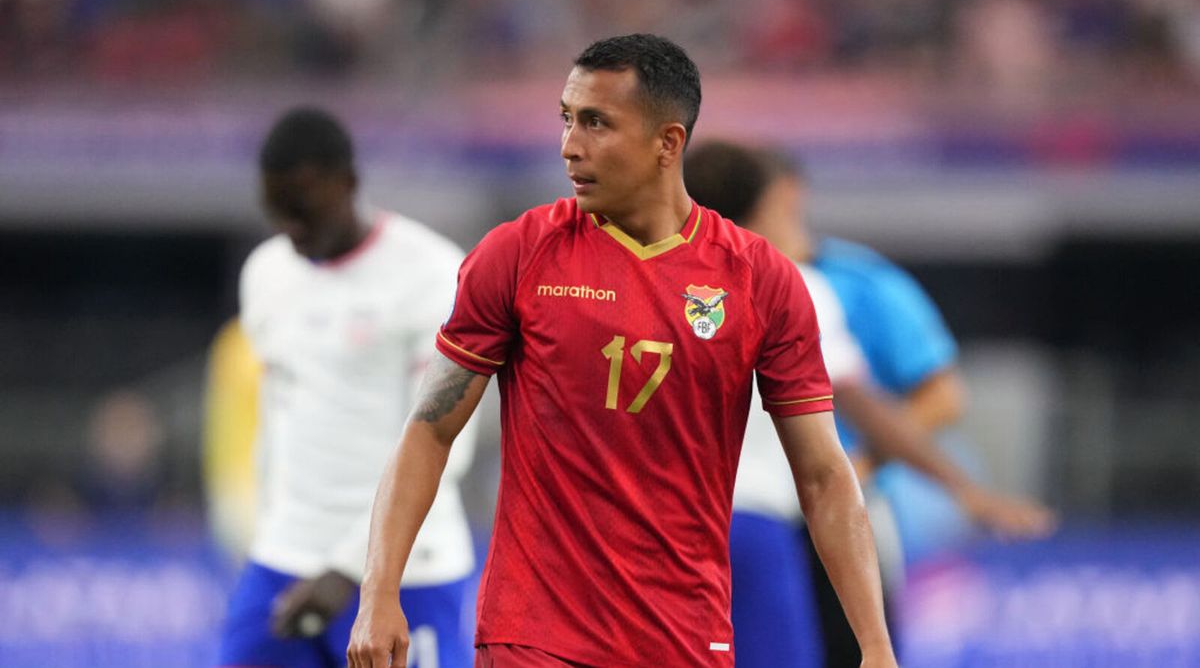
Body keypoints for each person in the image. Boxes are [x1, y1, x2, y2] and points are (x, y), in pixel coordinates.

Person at [347, 34, 897, 668]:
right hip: (533, 635)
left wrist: (875, 645)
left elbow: (824, 476)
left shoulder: (760, 281)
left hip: (684, 638)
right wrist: (379, 592)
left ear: (668, 142)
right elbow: (429, 430)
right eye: (566, 119)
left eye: (596, 123)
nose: (569, 145)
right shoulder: (518, 254)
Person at [684, 140, 1056, 667]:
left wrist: (866, 464)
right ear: (778, 199)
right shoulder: (794, 286)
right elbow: (867, 405)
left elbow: (939, 395)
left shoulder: (858, 281)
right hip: (778, 515)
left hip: (690, 518)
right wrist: (959, 488)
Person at [216, 107, 477, 668]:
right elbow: (279, 411)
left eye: (303, 208)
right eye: (277, 212)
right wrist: (266, 530)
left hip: (408, 571)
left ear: (349, 183)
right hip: (285, 559)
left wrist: (349, 567)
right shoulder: (266, 273)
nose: (291, 229)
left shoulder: (431, 275)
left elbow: (446, 444)